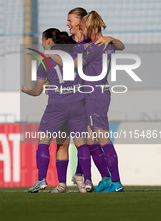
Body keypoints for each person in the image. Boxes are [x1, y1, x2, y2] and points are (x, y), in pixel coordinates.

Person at [50, 11, 124, 193]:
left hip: (95, 96)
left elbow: (73, 64)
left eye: (83, 28)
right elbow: (120, 46)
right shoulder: (105, 44)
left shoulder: (95, 47)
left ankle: (116, 183)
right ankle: (106, 179)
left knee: (102, 138)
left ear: (90, 27)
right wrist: (112, 39)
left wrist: (50, 55)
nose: (82, 31)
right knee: (90, 139)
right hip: (95, 94)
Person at [21, 28, 92, 193]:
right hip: (77, 105)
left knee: (43, 143)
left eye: (43, 40)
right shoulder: (75, 54)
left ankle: (42, 180)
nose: (42, 43)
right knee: (79, 145)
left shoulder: (46, 61)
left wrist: (27, 90)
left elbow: (37, 91)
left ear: (50, 42)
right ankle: (86, 181)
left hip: (56, 108)